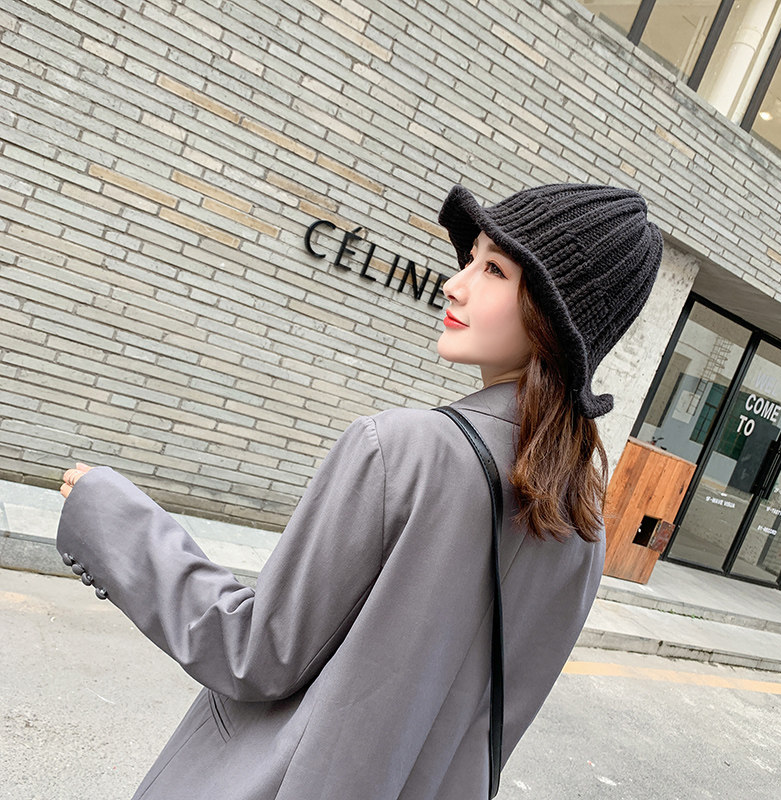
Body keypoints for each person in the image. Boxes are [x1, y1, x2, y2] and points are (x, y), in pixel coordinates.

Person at [57, 182, 662, 799]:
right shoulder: (582, 526)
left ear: (553, 317)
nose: (454, 284)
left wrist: (106, 513)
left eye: (495, 270)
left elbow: (257, 653)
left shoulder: (402, 451)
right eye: (472, 258)